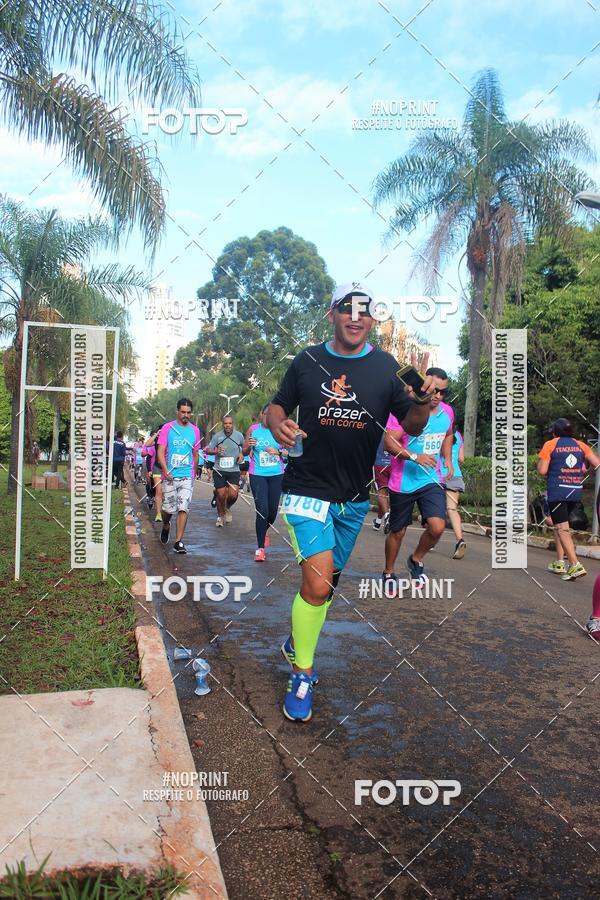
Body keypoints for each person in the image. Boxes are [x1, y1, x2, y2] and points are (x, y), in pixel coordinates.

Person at [267, 281, 435, 722]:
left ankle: (296, 641)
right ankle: (302, 674)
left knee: (326, 587)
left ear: (373, 320)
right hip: (306, 488)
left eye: (364, 310)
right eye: (347, 308)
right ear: (332, 314)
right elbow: (276, 406)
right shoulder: (307, 360)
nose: (355, 317)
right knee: (319, 583)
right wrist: (277, 424)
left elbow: (413, 425)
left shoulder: (388, 368)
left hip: (355, 497)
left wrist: (422, 401)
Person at [383, 368, 454, 587]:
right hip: (403, 481)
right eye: (434, 390)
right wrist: (415, 456)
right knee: (398, 531)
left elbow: (448, 433)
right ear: (425, 386)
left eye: (442, 392)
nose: (437, 396)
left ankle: (415, 559)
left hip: (431, 478)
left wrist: (448, 459)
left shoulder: (447, 412)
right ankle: (388, 572)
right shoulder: (405, 410)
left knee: (437, 527)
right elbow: (388, 442)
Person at [537, 418, 600, 580]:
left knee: (562, 528)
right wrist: (587, 472)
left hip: (558, 491)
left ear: (555, 432)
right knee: (562, 526)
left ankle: (575, 564)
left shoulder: (550, 444)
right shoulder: (581, 445)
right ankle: (559, 562)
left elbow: (542, 470)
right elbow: (597, 463)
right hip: (574, 492)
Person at [156, 399, 202, 554]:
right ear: (177, 411)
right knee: (168, 510)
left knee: (183, 507)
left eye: (188, 413)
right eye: (183, 412)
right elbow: (160, 451)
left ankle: (178, 541)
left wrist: (193, 473)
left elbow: (195, 454)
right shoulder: (167, 428)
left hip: (186, 476)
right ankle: (166, 525)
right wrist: (165, 469)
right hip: (169, 476)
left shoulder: (195, 431)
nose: (185, 415)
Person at [243, 404, 285, 561]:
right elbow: (244, 451)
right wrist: (249, 446)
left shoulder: (280, 430)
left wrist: (278, 451)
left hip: (277, 474)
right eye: (266, 413)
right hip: (258, 474)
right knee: (262, 510)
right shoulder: (253, 429)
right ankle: (260, 548)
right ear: (261, 414)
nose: (268, 417)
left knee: (272, 513)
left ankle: (264, 529)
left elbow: (291, 452)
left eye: (271, 414)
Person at [207, 415, 245, 527]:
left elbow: (245, 448)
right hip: (219, 469)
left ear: (233, 424)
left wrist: (242, 454)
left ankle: (227, 507)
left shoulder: (239, 436)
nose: (227, 425)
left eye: (230, 423)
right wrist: (216, 451)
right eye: (225, 423)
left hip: (234, 469)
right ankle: (220, 517)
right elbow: (208, 450)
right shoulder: (217, 436)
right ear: (223, 425)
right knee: (221, 494)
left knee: (233, 495)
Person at [441, 429, 467, 559]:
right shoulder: (458, 435)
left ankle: (431, 539)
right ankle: (459, 540)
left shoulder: (439, 429)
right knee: (452, 509)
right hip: (455, 475)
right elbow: (461, 459)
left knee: (435, 510)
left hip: (439, 474)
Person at [372, 436, 391, 531]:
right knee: (384, 496)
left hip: (379, 463)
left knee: (381, 493)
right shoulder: (398, 429)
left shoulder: (378, 430)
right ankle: (378, 522)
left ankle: (387, 515)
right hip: (394, 464)